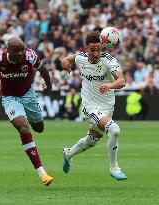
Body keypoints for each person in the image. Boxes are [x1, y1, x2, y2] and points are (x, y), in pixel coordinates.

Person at [0, 37, 53, 186]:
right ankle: (42, 173)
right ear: (8, 51)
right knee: (23, 129)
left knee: (39, 128)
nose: (20, 54)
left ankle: (32, 119)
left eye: (22, 51)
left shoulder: (30, 56)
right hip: (9, 97)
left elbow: (42, 69)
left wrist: (49, 86)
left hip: (28, 94)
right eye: (17, 52)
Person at [60, 31, 127, 180]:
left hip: (107, 106)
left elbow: (122, 81)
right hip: (89, 106)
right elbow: (67, 59)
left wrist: (110, 85)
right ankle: (114, 168)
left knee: (92, 140)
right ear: (86, 48)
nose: (96, 53)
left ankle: (68, 153)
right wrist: (64, 61)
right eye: (92, 50)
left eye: (98, 49)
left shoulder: (109, 60)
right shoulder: (80, 58)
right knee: (114, 130)